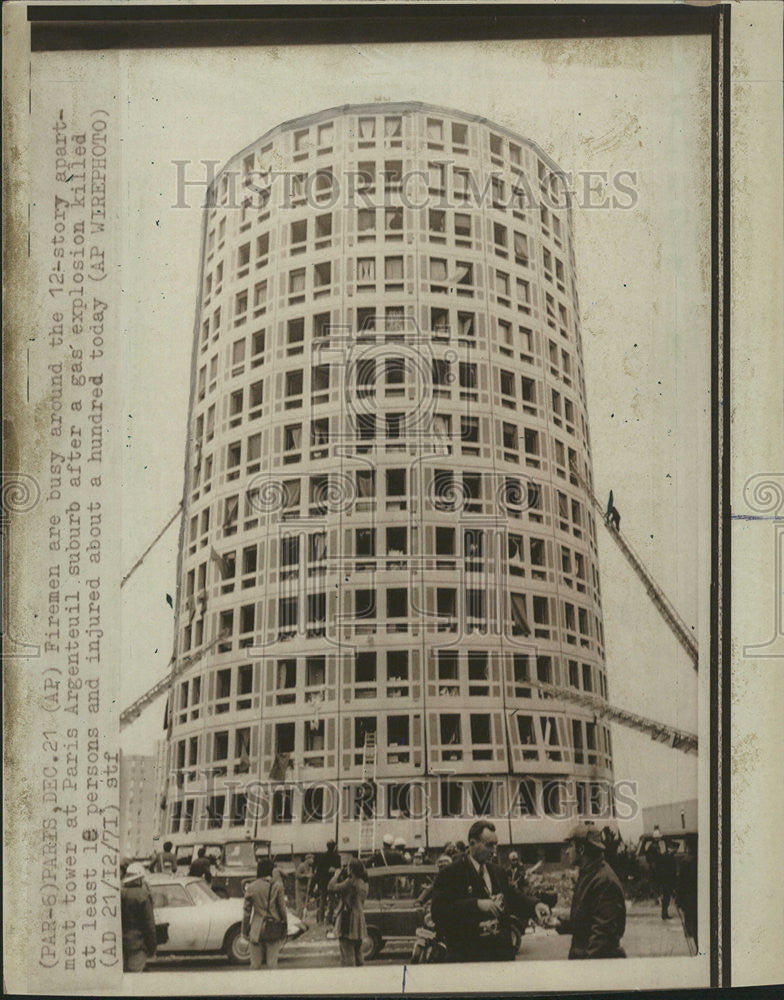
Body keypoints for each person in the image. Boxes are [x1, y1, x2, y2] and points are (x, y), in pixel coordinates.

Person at [431, 820, 549, 962]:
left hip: (501, 955)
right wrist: (476, 904)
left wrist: (535, 905)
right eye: (489, 845)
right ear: (472, 843)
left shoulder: (497, 871)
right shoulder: (451, 873)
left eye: (496, 844)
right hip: (469, 958)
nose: (494, 850)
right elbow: (439, 911)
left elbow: (513, 896)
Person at [553, 823, 626, 959]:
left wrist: (585, 973)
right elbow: (587, 921)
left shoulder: (604, 881)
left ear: (581, 849)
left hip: (595, 967)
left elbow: (601, 941)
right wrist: (561, 924)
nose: (567, 851)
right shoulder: (590, 874)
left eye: (570, 846)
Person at [242, 858, 288, 969]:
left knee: (255, 965)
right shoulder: (277, 886)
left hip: (256, 929)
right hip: (273, 928)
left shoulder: (251, 887)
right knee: (272, 965)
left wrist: (244, 931)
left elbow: (247, 912)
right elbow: (282, 908)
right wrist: (285, 925)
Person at [328, 860, 369, 967]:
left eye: (348, 868)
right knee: (358, 953)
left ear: (352, 870)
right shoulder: (363, 883)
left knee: (347, 952)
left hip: (348, 919)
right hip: (359, 918)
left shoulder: (350, 882)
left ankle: (350, 978)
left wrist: (336, 875)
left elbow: (331, 887)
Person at [120, 859, 157, 972]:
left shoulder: (119, 893)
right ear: (140, 879)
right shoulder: (142, 895)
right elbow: (149, 925)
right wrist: (152, 948)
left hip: (120, 944)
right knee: (135, 980)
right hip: (137, 945)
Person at [315, 839, 342, 924]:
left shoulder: (322, 857)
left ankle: (320, 919)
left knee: (322, 901)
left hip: (323, 882)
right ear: (334, 847)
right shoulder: (337, 857)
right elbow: (338, 870)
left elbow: (318, 871)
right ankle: (329, 919)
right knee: (331, 901)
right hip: (332, 882)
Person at [658, 843, 677, 920]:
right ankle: (664, 914)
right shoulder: (666, 856)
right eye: (674, 848)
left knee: (667, 897)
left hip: (668, 880)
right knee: (666, 898)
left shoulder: (668, 855)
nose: (675, 850)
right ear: (670, 848)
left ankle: (665, 913)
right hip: (666, 880)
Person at [295, 853, 314, 918]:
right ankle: (298, 918)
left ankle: (303, 919)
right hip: (300, 888)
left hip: (306, 888)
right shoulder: (301, 866)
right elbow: (297, 875)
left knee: (305, 905)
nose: (313, 860)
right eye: (312, 859)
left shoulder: (310, 867)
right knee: (300, 905)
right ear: (308, 859)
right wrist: (306, 876)